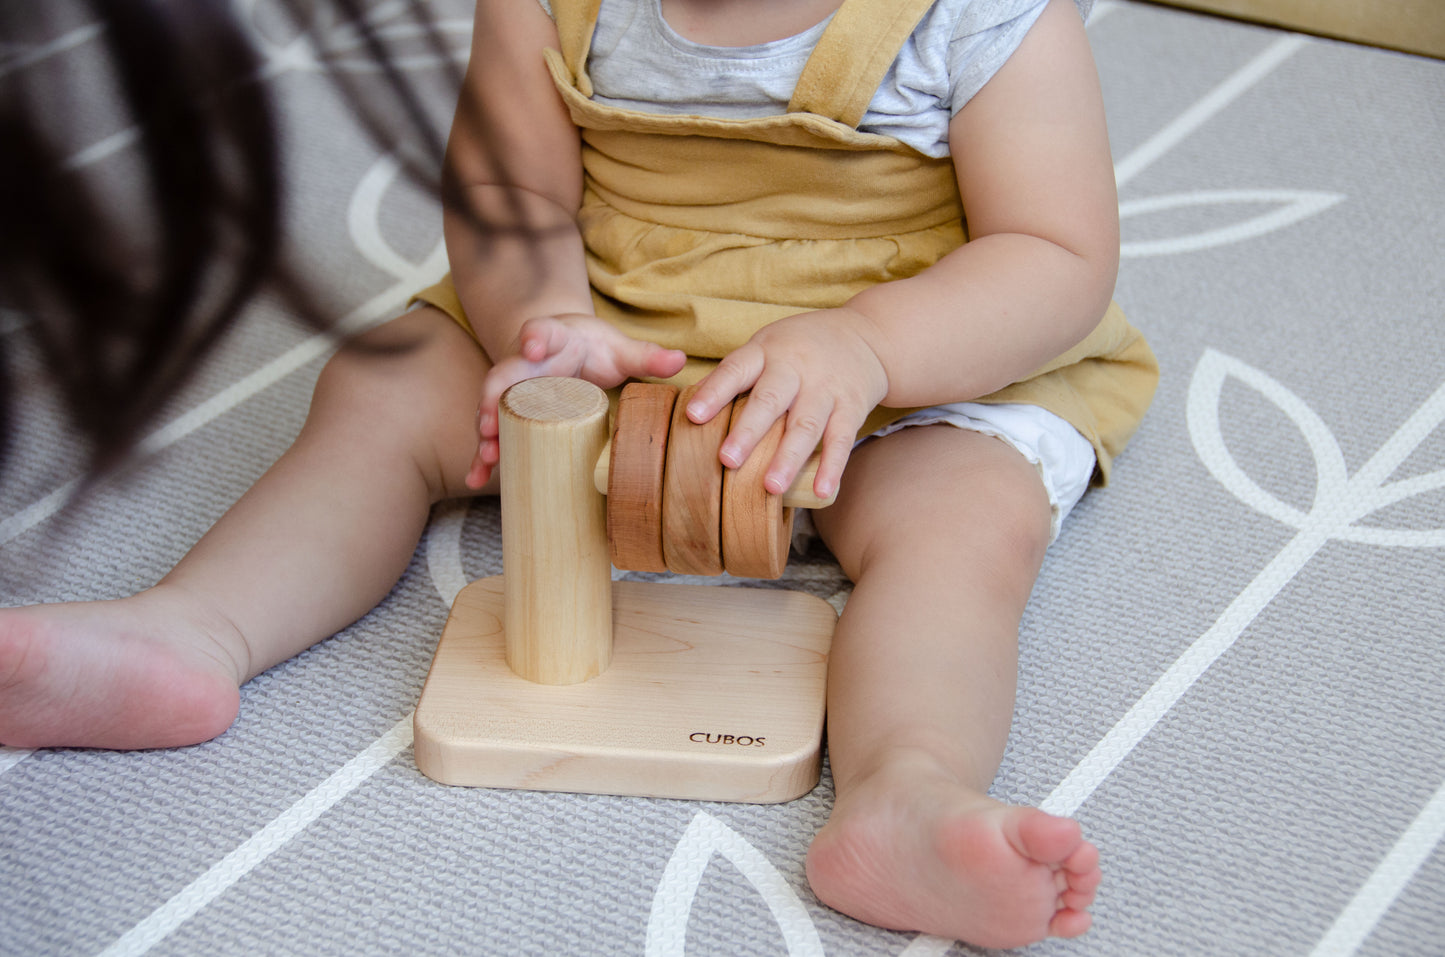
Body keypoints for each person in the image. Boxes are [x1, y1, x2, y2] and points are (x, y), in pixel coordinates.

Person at [0, 0, 1158, 947]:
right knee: (386, 384)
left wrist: (868, 348)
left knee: (960, 530)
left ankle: (903, 791)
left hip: (900, 364)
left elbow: (1049, 254)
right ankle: (191, 631)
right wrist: (545, 328)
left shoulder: (982, 15)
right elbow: (512, 196)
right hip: (613, 322)